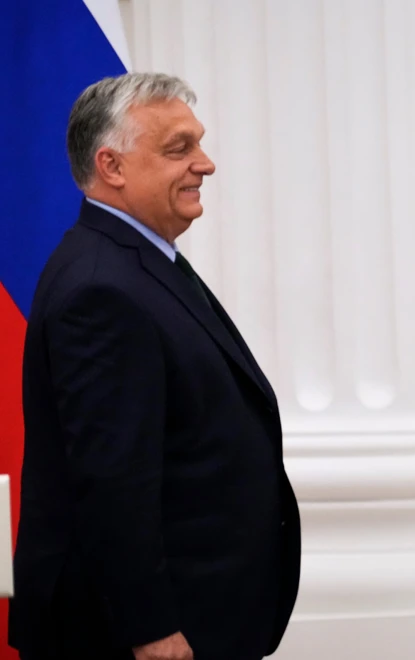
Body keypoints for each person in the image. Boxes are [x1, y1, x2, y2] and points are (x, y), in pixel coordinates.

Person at [9, 72, 301, 660]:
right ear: (112, 166)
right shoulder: (100, 289)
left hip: (199, 611)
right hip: (146, 634)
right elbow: (113, 481)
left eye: (199, 143)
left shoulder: (134, 261)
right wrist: (151, 629)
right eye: (178, 148)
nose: (205, 164)